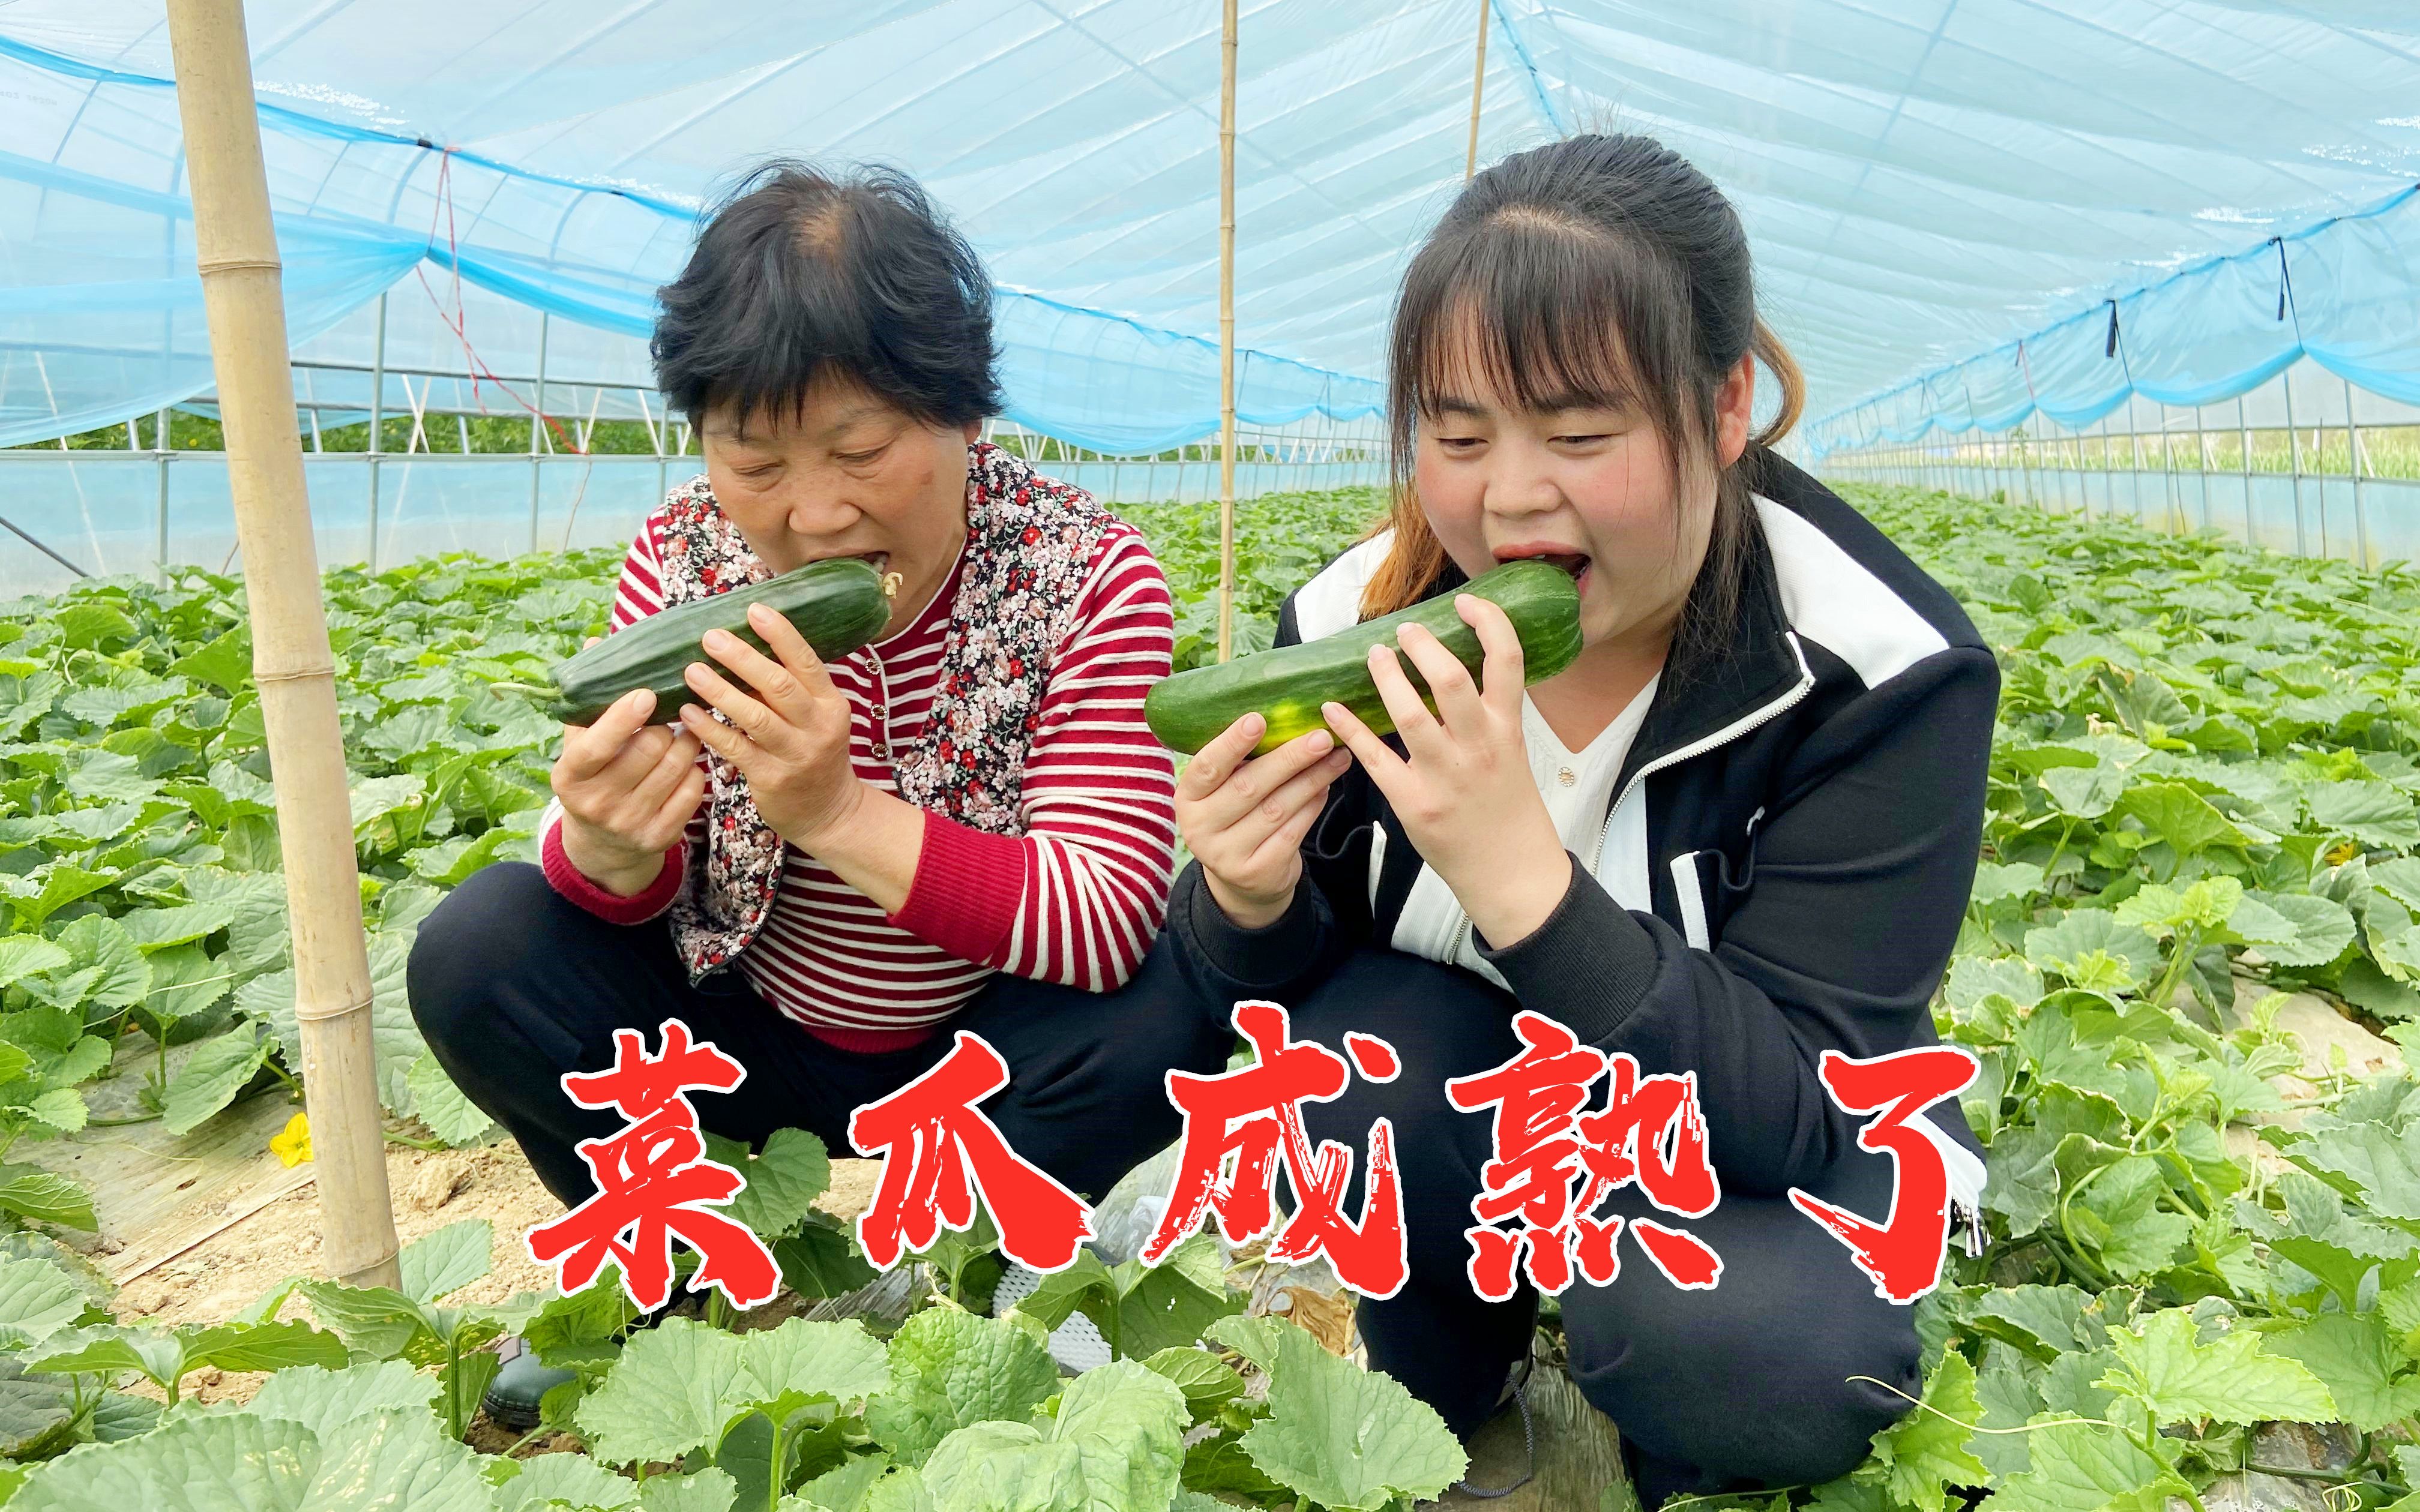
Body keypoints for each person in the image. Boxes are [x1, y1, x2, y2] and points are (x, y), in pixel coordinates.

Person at [1163, 134, 1997, 1505]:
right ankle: (1454, 1347)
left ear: (1725, 408)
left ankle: (1651, 1407)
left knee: (1763, 1358)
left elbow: (1809, 1107)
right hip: (1474, 1108)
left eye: (1581, 432)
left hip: (1758, 1170)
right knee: (1344, 1084)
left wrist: (1526, 887)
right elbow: (1280, 1004)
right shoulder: (1349, 626)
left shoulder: (1883, 674)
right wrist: (1242, 905)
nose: (1508, 498)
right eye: (1459, 431)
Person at [406, 160, 1229, 1426]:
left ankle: (986, 1292)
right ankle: (667, 1293)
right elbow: (619, 894)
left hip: (985, 1059)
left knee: (1181, 985)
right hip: (745, 1038)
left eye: (861, 449)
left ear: (965, 416)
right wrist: (607, 850)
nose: (811, 515)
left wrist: (839, 815)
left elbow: (1108, 911)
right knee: (481, 948)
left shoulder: (1086, 573)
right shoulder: (682, 566)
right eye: (753, 458)